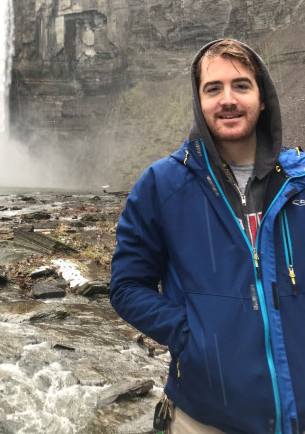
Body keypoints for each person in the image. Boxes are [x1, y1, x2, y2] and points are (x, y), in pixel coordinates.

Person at [110, 39, 305, 434]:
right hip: (204, 417)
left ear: (262, 98)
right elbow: (128, 284)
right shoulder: (161, 186)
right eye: (213, 88)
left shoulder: (301, 182)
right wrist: (190, 335)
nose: (227, 99)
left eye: (241, 86)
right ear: (198, 101)